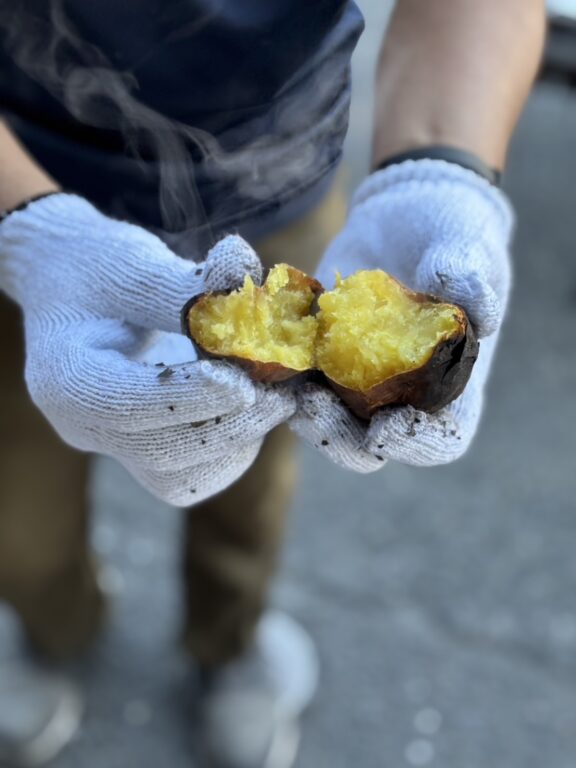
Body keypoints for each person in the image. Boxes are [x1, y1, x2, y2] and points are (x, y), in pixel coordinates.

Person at [0, 1, 545, 766]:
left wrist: (441, 166)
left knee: (249, 465)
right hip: (19, 172)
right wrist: (23, 226)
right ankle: (49, 627)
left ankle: (231, 641)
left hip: (279, 181)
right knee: (17, 499)